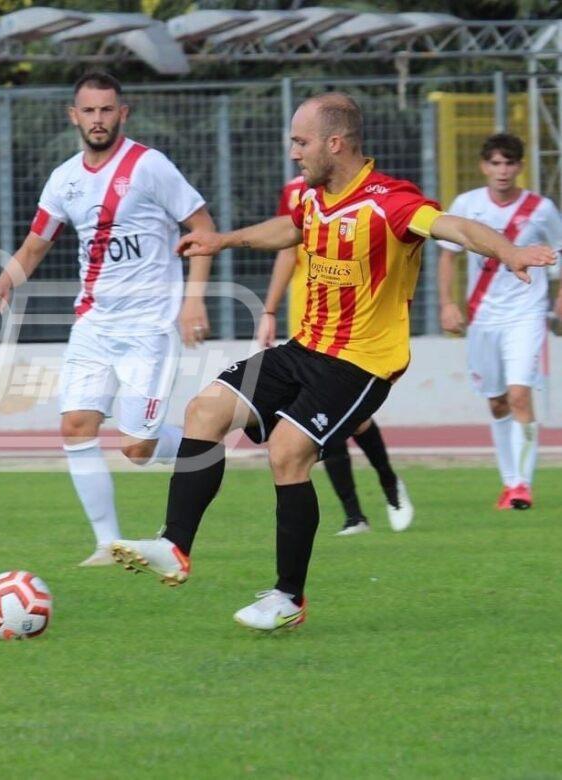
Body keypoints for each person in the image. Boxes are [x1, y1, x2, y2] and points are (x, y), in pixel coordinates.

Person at [111, 93, 555, 631]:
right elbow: (291, 228)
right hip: (305, 347)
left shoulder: (390, 202)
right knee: (205, 410)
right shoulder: (313, 196)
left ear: (335, 143)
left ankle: (288, 597)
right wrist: (224, 240)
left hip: (361, 363)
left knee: (287, 452)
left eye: (301, 142)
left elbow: (454, 227)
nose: (293, 152)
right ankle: (174, 544)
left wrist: (509, 252)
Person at [0, 71, 216, 567]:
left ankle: (202, 448)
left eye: (107, 109)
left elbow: (202, 227)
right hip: (94, 323)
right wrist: (1, 284)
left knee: (137, 448)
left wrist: (193, 301)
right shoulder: (64, 179)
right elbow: (35, 245)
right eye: (89, 110)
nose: (98, 119)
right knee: (76, 425)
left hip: (149, 326)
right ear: (74, 116)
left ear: (122, 113)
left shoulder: (150, 166)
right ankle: (108, 544)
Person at [260, 177, 412, 536]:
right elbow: (288, 249)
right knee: (315, 422)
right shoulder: (297, 192)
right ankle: (354, 514)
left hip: (352, 324)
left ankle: (389, 482)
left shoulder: (368, 193)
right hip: (308, 320)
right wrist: (269, 310)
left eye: (303, 147)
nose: (298, 152)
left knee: (354, 421)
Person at [438, 132, 562, 510]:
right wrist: (447, 303)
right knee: (496, 402)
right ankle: (509, 482)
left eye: (509, 163)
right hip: (482, 317)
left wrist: (559, 298)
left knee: (519, 394)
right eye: (495, 163)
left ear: (520, 166)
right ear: (484, 167)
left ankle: (522, 486)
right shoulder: (467, 204)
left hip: (526, 314)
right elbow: (448, 256)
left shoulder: (540, 209)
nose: (502, 170)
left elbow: (558, 256)